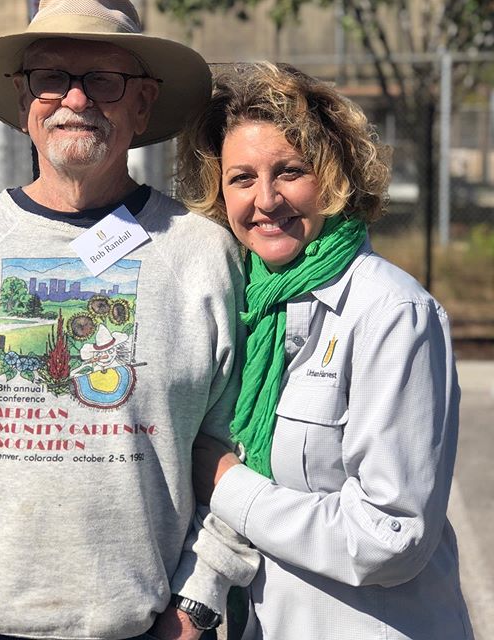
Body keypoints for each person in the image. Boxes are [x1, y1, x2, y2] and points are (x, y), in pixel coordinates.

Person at [0, 1, 259, 638]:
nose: (74, 98)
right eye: (51, 77)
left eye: (104, 80)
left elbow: (241, 440)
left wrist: (199, 598)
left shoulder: (202, 252)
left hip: (148, 626)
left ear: (143, 104)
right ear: (24, 98)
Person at [177, 63, 474, 640]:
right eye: (241, 178)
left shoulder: (391, 313)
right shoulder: (246, 307)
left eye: (289, 172)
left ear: (334, 179)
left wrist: (230, 486)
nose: (265, 200)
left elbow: (391, 535)